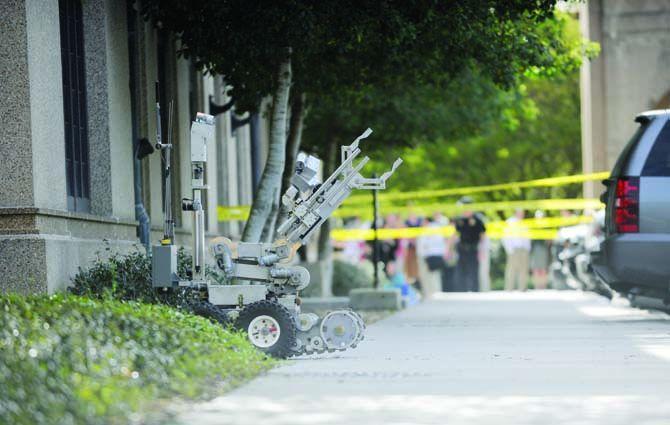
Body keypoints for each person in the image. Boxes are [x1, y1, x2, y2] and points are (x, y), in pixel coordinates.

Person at [452, 197, 486, 292]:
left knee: (473, 271)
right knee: (461, 271)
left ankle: (475, 290)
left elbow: (482, 235)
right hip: (462, 248)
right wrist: (449, 249)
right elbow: (455, 234)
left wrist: (482, 250)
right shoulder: (459, 219)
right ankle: (462, 291)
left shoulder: (478, 219)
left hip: (473, 248)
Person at [416, 213, 448, 299]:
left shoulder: (430, 228)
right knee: (434, 275)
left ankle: (430, 293)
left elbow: (426, 244)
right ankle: (434, 292)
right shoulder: (435, 227)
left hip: (428, 256)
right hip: (431, 255)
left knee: (429, 276)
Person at [502, 209, 531, 291]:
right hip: (513, 249)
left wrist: (528, 248)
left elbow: (527, 237)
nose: (521, 214)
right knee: (511, 269)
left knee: (523, 269)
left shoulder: (524, 222)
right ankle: (509, 288)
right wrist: (509, 249)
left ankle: (523, 288)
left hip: (523, 249)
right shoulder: (510, 222)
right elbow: (505, 237)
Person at [530, 210, 551, 289]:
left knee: (543, 268)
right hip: (535, 249)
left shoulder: (546, 226)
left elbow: (549, 239)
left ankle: (543, 286)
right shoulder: (533, 226)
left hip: (543, 249)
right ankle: (537, 285)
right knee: (535, 269)